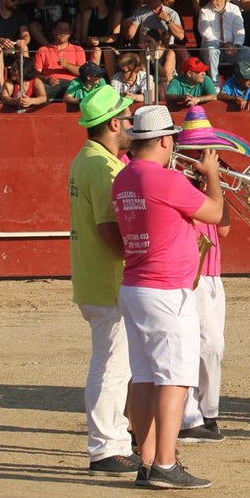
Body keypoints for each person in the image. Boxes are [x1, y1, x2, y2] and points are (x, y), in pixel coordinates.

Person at [112, 105, 224, 489]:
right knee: (175, 378)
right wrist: (212, 176)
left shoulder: (123, 177)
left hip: (135, 285)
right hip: (166, 291)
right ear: (163, 140)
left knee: (144, 377)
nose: (174, 144)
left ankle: (146, 460)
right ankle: (164, 462)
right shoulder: (166, 180)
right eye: (172, 139)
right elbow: (214, 213)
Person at [68, 85, 138, 477]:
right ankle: (105, 447)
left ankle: (114, 438)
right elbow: (111, 232)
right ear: (114, 123)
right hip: (109, 280)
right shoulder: (104, 167)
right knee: (112, 365)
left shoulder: (87, 159)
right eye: (127, 118)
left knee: (112, 364)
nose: (130, 124)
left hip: (95, 277)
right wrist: (141, 254)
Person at [173, 107, 243, 444]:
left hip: (213, 273)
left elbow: (225, 229)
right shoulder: (175, 180)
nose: (203, 158)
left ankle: (209, 411)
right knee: (197, 344)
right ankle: (191, 416)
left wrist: (217, 184)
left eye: (207, 152)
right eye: (198, 152)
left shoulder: (207, 182)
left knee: (215, 345)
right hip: (191, 272)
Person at [124, 0, 186, 85]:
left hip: (165, 49)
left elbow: (180, 35)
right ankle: (142, 83)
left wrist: (167, 20)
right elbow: (129, 34)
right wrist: (131, 25)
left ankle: (180, 83)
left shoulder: (171, 13)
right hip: (146, 48)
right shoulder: (141, 12)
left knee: (180, 51)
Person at [195, 0, 247, 82]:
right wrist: (222, 44)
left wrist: (237, 45)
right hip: (213, 46)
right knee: (211, 50)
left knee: (248, 53)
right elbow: (206, 33)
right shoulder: (204, 11)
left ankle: (238, 81)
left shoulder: (234, 9)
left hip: (231, 48)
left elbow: (239, 31)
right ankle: (215, 83)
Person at [34, 19, 87, 101]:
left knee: (79, 89)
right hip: (50, 83)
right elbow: (35, 74)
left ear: (70, 33)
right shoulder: (43, 50)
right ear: (54, 31)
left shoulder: (78, 49)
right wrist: (47, 79)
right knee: (38, 89)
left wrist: (67, 66)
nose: (63, 32)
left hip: (71, 84)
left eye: (65, 30)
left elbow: (83, 73)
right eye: (60, 29)